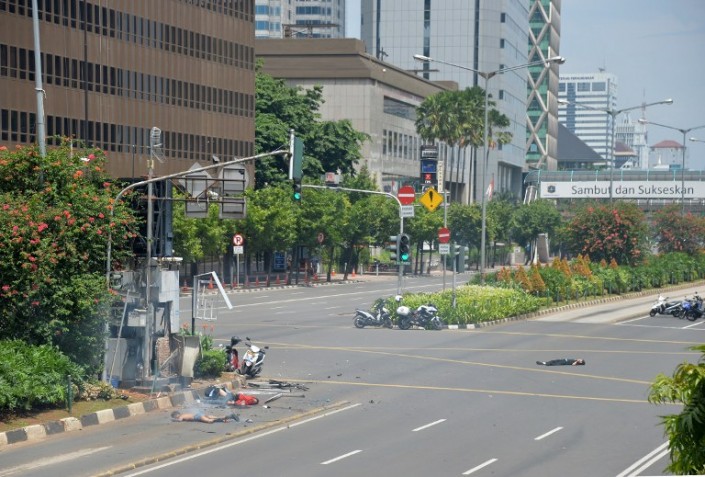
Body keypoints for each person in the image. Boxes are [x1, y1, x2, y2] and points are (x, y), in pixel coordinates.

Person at [171, 410, 239, 423]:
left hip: (197, 417)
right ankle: (230, 416)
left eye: (175, 416)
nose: (175, 417)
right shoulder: (184, 414)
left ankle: (228, 418)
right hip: (199, 414)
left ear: (176, 415)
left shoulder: (181, 416)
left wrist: (173, 420)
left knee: (209, 421)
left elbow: (179, 420)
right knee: (215, 417)